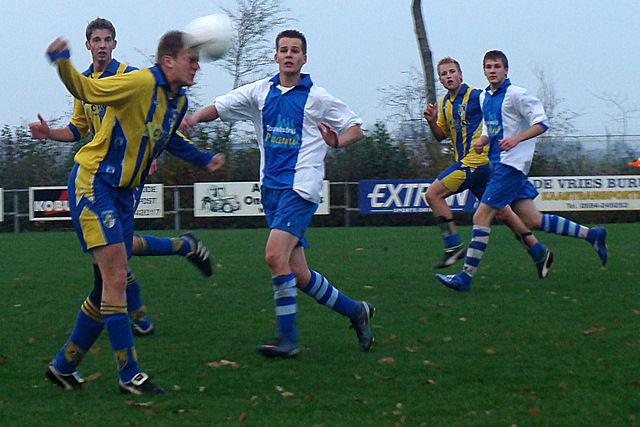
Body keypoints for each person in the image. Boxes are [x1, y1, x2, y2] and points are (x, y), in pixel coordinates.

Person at [43, 30, 225, 394]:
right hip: (94, 184)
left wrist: (204, 159)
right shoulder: (140, 82)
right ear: (168, 61)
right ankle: (130, 375)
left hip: (123, 194)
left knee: (104, 288)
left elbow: (167, 138)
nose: (197, 67)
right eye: (191, 60)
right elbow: (88, 90)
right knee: (116, 279)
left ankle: (63, 367)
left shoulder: (178, 101)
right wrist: (62, 63)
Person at [182, 29, 374, 358]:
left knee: (273, 256)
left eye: (295, 50)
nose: (288, 55)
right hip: (270, 189)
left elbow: (355, 127)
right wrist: (195, 118)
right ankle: (356, 311)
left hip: (301, 188)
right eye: (283, 50)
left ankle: (288, 340)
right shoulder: (260, 92)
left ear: (304, 58)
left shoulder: (318, 98)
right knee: (297, 273)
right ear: (275, 56)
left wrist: (337, 142)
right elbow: (222, 105)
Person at [436, 50, 607, 292]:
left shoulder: (517, 94)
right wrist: (483, 140)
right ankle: (593, 235)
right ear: (483, 71)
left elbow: (541, 123)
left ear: (506, 70)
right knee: (532, 219)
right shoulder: (485, 97)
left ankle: (465, 278)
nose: (492, 71)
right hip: (499, 164)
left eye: (497, 66)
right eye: (488, 67)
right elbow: (489, 126)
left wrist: (516, 139)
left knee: (480, 217)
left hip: (511, 166)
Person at [424, 57, 554, 278]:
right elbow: (440, 136)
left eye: (452, 72)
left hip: (476, 163)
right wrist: (431, 121)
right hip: (473, 166)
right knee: (503, 213)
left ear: (461, 74)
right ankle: (539, 252)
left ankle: (453, 245)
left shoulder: (476, 96)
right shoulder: (444, 103)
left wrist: (510, 137)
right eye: (444, 74)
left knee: (432, 195)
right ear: (440, 80)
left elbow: (498, 111)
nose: (449, 76)